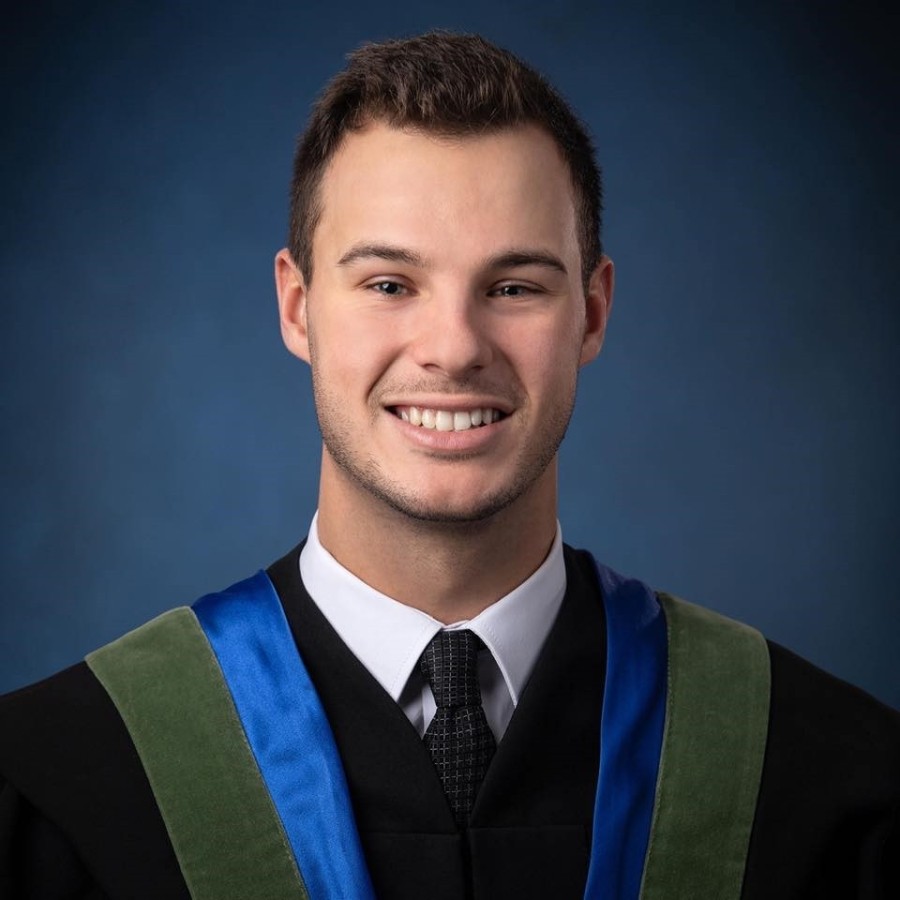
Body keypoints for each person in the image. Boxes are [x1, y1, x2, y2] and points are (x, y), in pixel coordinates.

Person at [1, 31, 898, 900]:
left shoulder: (821, 775)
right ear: (298, 308)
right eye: (389, 284)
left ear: (591, 315)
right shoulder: (59, 783)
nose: (454, 348)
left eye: (514, 287)